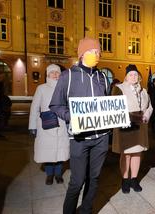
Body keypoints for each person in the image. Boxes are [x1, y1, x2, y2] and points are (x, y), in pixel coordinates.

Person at [49, 37, 110, 214]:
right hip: (79, 138)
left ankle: (86, 210)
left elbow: (107, 104)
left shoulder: (102, 76)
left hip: (101, 138)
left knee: (95, 178)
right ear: (82, 53)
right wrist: (71, 117)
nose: (96, 55)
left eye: (98, 52)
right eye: (92, 51)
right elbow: (55, 105)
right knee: (77, 180)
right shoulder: (68, 76)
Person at [112, 64, 153, 194]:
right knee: (126, 154)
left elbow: (149, 107)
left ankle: (134, 179)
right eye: (131, 74)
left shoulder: (144, 90)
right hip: (126, 125)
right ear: (126, 76)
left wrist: (146, 115)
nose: (134, 76)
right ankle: (125, 180)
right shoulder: (118, 88)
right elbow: (114, 107)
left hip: (140, 126)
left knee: (137, 153)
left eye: (136, 74)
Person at [28, 64, 69, 185]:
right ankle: (49, 175)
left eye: (57, 72)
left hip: (61, 124)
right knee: (48, 152)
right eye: (53, 72)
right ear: (48, 75)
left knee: (60, 152)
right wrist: (33, 126)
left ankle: (58, 174)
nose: (56, 75)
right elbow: (34, 107)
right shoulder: (41, 88)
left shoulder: (64, 88)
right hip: (46, 125)